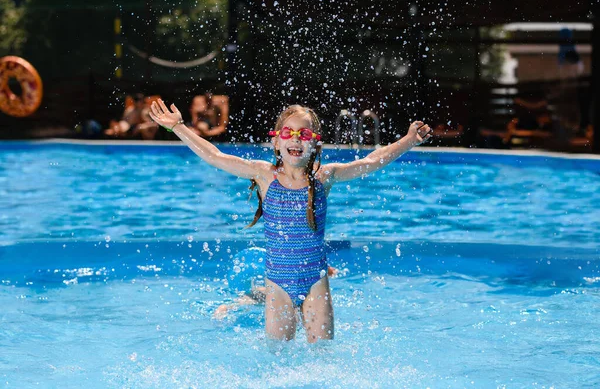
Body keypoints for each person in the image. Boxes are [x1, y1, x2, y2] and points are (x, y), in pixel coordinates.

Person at [148, 100, 432, 343]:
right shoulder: (264, 175)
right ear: (276, 141)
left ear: (315, 142)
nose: (296, 139)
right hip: (278, 285)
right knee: (277, 360)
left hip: (315, 282)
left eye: (304, 133)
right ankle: (252, 296)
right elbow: (215, 155)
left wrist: (409, 140)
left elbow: (374, 159)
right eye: (288, 132)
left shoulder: (324, 177)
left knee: (322, 358)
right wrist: (178, 127)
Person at [214, 265, 339, 319]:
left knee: (252, 298)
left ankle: (227, 307)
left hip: (275, 287)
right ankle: (226, 307)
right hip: (281, 290)